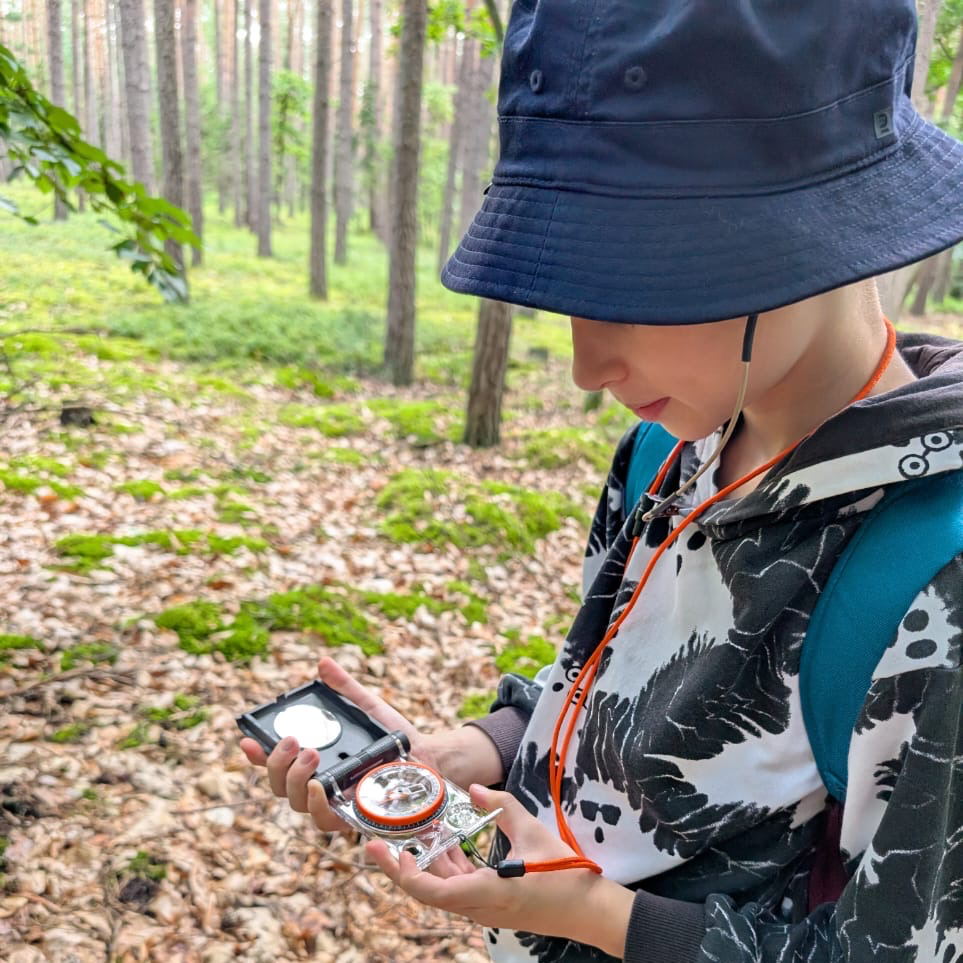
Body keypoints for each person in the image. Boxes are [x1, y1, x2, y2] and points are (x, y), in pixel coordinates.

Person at [242, 0, 963, 960]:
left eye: (632, 290)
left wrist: (596, 915)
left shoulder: (928, 577)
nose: (588, 367)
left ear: (810, 237)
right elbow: (605, 675)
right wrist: (484, 746)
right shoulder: (666, 448)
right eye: (568, 298)